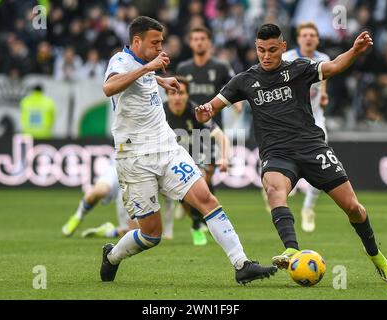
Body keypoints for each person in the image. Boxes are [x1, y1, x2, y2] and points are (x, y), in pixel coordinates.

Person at [195, 24, 387, 282]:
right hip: (276, 153)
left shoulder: (299, 68)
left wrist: (355, 51)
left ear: (283, 48)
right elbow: (213, 105)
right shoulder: (245, 80)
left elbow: (333, 66)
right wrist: (206, 111)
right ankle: (291, 248)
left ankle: (375, 254)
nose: (266, 56)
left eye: (272, 50)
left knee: (353, 208)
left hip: (311, 148)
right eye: (261, 50)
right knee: (274, 190)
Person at [100, 16, 277, 284]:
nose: (161, 48)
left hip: (167, 148)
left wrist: (160, 80)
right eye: (154, 42)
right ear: (136, 41)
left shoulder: (142, 65)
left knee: (207, 200)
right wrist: (150, 68)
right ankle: (112, 256)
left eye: (161, 42)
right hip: (134, 157)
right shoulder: (120, 61)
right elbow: (109, 87)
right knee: (151, 235)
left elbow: (141, 75)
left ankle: (242, 264)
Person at [264, 21, 331, 233]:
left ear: (317, 39)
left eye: (312, 35)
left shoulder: (323, 59)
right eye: (305, 35)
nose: (309, 38)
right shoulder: (287, 58)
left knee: (321, 163)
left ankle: (308, 208)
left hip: (315, 121)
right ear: (299, 38)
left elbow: (323, 82)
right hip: (289, 121)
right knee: (276, 157)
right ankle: (277, 190)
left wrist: (324, 96)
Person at [176, 27, 242, 208]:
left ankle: (200, 208)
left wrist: (238, 103)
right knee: (189, 173)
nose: (199, 42)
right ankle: (197, 212)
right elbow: (176, 96)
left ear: (209, 42)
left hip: (212, 127)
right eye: (195, 39)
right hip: (186, 127)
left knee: (208, 172)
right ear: (190, 43)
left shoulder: (220, 67)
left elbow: (234, 87)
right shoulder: (183, 68)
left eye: (202, 39)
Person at [163, 76, 230, 245]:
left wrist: (224, 158)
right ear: (167, 95)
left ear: (187, 95)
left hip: (198, 151)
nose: (177, 97)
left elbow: (221, 136)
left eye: (181, 93)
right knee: (185, 189)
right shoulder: (159, 113)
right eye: (172, 93)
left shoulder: (195, 111)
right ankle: (196, 223)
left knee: (200, 177)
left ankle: (200, 219)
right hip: (170, 156)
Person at [61, 164, 137, 238]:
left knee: (135, 232)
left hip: (138, 175)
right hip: (117, 167)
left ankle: (108, 231)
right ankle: (78, 215)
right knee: (100, 191)